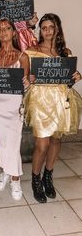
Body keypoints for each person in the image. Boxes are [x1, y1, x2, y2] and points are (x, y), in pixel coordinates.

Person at [24, 13, 82, 203]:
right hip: (40, 100)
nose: (47, 30)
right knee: (42, 144)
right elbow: (27, 79)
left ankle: (48, 177)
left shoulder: (66, 52)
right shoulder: (32, 51)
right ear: (41, 30)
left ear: (57, 29)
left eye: (51, 27)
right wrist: (30, 78)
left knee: (56, 141)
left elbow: (67, 82)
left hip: (60, 101)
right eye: (44, 27)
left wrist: (75, 78)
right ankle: (35, 179)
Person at [0, 18, 30, 200]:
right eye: (0, 29)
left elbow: (26, 85)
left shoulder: (23, 57)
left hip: (13, 107)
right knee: (1, 144)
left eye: (7, 28)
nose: (3, 32)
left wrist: (28, 81)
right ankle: (5, 172)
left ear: (13, 32)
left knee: (13, 143)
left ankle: (15, 180)